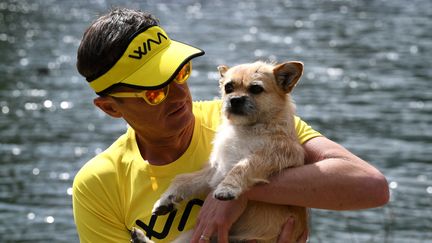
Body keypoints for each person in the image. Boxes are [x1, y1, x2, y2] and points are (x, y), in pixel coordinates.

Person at [72, 7, 389, 243]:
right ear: (110, 107)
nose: (178, 95)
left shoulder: (249, 121)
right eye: (155, 91)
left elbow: (370, 186)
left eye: (180, 74)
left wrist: (242, 192)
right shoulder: (99, 186)